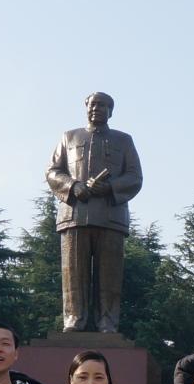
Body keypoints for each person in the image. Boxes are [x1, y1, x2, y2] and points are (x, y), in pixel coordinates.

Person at [46, 91, 144, 333]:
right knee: (73, 272)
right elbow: (53, 171)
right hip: (74, 215)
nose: (96, 108)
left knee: (110, 275)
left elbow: (135, 176)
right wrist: (73, 186)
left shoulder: (124, 141)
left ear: (110, 111)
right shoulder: (69, 137)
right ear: (86, 107)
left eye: (102, 105)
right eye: (92, 104)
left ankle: (107, 321)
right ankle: (74, 318)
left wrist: (110, 187)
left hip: (111, 217)